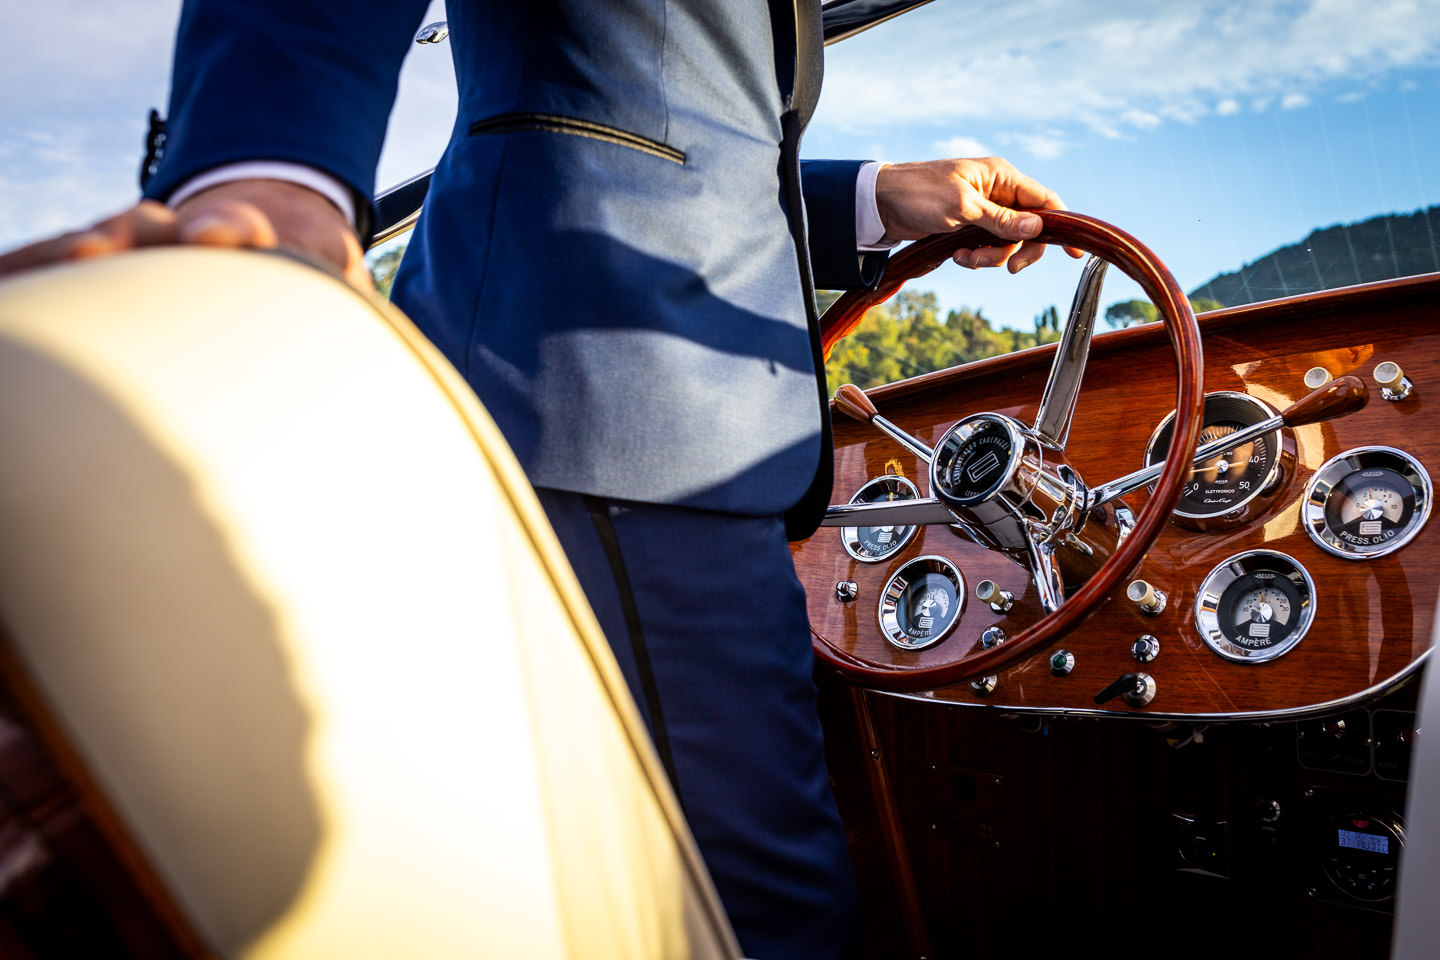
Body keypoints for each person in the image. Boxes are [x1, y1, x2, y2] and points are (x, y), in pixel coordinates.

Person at [0, 3, 1074, 956]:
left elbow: (670, 132)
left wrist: (882, 196)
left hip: (623, 408)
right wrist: (269, 178)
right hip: (623, 414)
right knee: (760, 909)